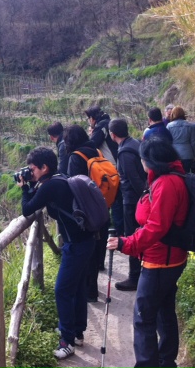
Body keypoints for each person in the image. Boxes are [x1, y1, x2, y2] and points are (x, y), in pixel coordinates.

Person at [107, 137, 189, 368]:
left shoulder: (165, 185)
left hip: (159, 262)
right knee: (164, 312)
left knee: (143, 319)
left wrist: (127, 244)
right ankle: (166, 361)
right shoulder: (170, 179)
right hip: (170, 258)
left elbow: (156, 227)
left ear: (149, 161)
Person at [20, 146, 94, 359]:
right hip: (85, 241)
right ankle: (77, 333)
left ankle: (67, 341)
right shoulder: (58, 177)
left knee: (62, 290)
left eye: (32, 169)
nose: (30, 172)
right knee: (77, 287)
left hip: (77, 245)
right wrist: (33, 183)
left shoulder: (49, 186)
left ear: (44, 167)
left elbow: (27, 209)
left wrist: (24, 188)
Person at [63, 124, 109, 304]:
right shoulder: (96, 150)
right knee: (98, 246)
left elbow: (74, 185)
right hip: (102, 204)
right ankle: (94, 284)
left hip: (87, 210)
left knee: (87, 250)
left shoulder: (76, 157)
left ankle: (90, 291)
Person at [109, 118, 147, 291]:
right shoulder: (135, 143)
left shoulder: (124, 152)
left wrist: (145, 199)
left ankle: (134, 277)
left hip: (132, 200)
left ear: (112, 135)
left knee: (132, 236)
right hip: (137, 198)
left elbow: (134, 179)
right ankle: (140, 273)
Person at [85, 105, 120, 262]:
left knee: (110, 200)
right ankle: (118, 230)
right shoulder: (108, 122)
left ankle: (117, 233)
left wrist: (90, 134)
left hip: (110, 167)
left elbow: (92, 144)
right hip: (115, 165)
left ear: (92, 118)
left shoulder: (100, 126)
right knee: (117, 201)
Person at [166, 106, 195, 174]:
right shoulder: (191, 126)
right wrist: (194, 155)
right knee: (187, 175)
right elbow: (193, 142)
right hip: (188, 154)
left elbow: (168, 142)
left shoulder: (169, 126)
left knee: (176, 175)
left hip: (174, 154)